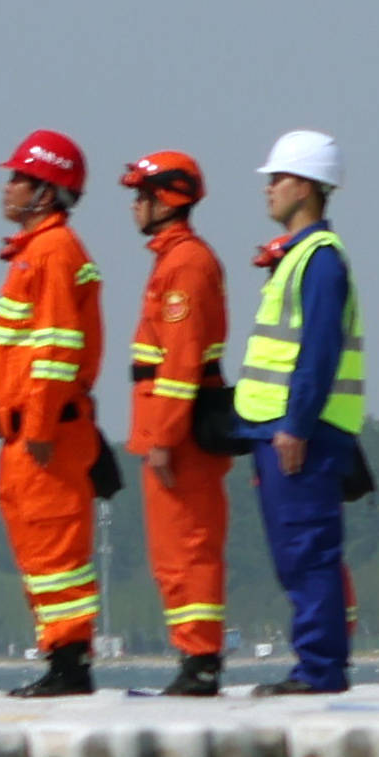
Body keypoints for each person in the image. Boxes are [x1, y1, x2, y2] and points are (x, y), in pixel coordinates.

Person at [236, 130, 373, 694]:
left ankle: (319, 669)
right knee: (295, 555)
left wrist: (295, 425)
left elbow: (319, 350)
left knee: (309, 552)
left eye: (279, 178)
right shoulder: (298, 257)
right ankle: (315, 665)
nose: (269, 188)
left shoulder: (319, 261)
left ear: (308, 187)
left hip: (302, 434)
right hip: (281, 431)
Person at [0, 134, 107, 695]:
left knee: (57, 552)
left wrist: (36, 426)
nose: (8, 187)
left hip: (44, 435)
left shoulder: (54, 251)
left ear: (46, 191)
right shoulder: (35, 251)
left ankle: (70, 664)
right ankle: (60, 657)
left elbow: (58, 347)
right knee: (39, 552)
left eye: (19, 177)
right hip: (25, 436)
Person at [117, 148, 235, 697]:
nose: (134, 206)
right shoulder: (172, 260)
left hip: (180, 434)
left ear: (166, 200)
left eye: (141, 195)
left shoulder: (186, 263)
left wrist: (164, 437)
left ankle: (201, 661)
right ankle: (192, 654)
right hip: (164, 428)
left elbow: (182, 360)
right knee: (171, 551)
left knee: (190, 546)